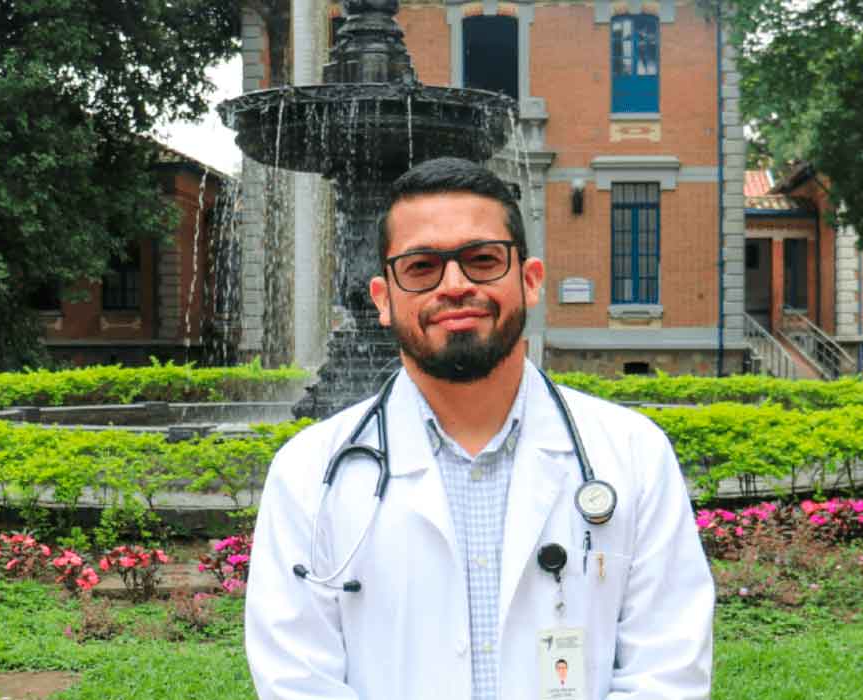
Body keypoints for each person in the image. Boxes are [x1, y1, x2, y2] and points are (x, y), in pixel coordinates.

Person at [245, 157, 714, 699]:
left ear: (530, 280)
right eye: (421, 267)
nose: (454, 285)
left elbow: (667, 673)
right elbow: (297, 681)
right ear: (383, 299)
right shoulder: (309, 473)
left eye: (482, 260)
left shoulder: (633, 454)